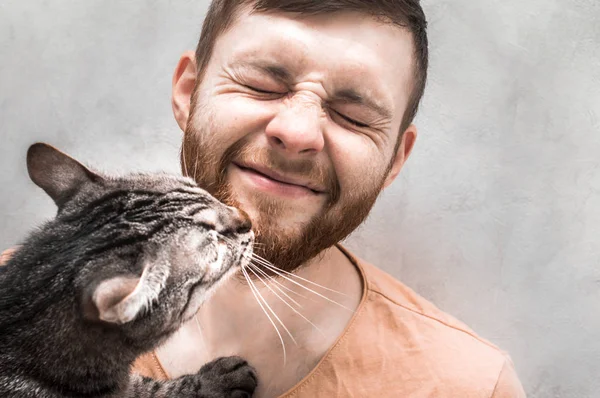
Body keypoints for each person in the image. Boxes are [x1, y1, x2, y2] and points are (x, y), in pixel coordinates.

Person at [2, 1, 526, 397]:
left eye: (354, 116)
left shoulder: (473, 384)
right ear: (187, 93)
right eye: (260, 84)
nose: (297, 132)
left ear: (394, 162)